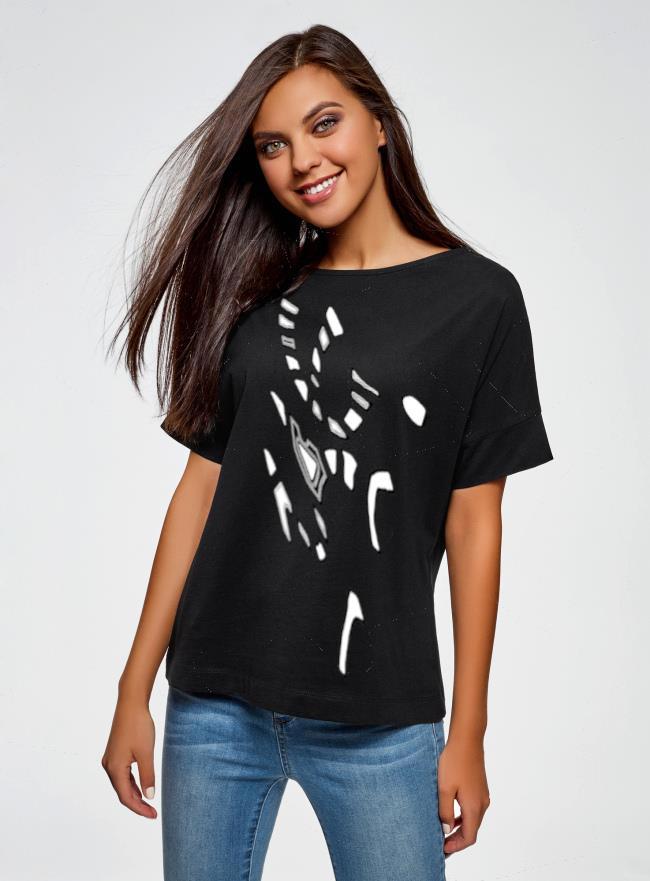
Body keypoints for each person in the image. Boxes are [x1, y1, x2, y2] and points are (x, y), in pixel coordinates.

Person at [101, 23, 554, 881]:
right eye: (272, 145)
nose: (300, 160)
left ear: (378, 122)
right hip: (215, 706)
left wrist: (468, 729)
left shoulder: (480, 300)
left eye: (324, 124)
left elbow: (475, 523)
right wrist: (134, 688)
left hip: (380, 718)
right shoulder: (257, 296)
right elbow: (199, 492)